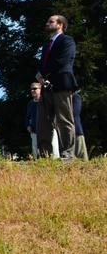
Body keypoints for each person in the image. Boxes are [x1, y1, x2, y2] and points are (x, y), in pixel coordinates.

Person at [35, 14, 78, 160]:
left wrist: (42, 73)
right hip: (47, 87)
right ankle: (44, 155)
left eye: (51, 21)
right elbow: (42, 63)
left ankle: (68, 153)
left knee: (64, 120)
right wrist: (40, 75)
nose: (47, 23)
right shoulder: (46, 45)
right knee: (43, 121)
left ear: (60, 25)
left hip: (62, 84)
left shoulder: (67, 40)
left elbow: (61, 60)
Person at [73, 92, 88, 160]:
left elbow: (75, 112)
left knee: (82, 158)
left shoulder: (75, 97)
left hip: (76, 131)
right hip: (64, 134)